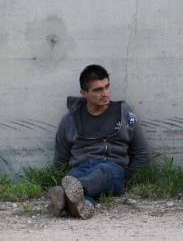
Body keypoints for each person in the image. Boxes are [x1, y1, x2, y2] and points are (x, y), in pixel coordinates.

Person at [48, 64, 150, 219]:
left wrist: (130, 179)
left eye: (107, 87)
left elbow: (141, 152)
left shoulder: (124, 113)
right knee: (76, 183)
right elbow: (61, 158)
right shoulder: (70, 120)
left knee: (103, 170)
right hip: (80, 169)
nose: (105, 93)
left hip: (112, 169)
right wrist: (62, 176)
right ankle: (77, 205)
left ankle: (70, 190)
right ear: (84, 93)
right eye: (98, 90)